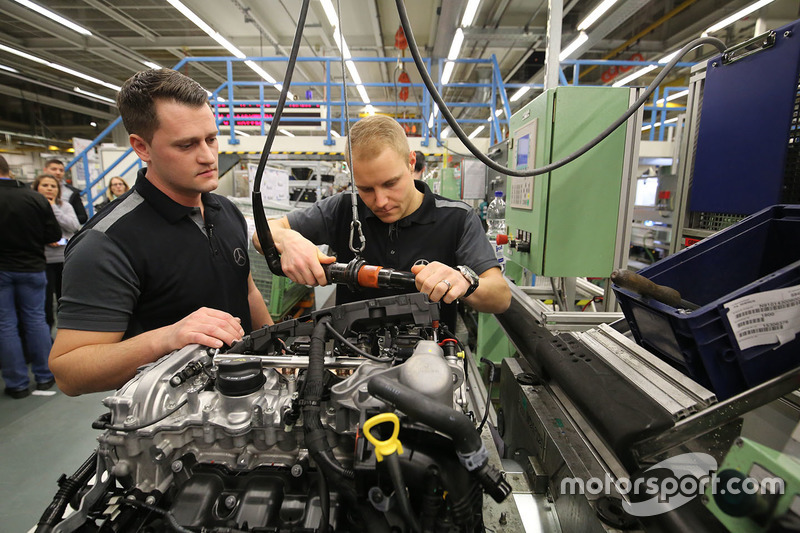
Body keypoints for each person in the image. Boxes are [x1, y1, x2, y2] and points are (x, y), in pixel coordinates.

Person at [50, 68, 273, 396]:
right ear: (142, 147)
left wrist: (275, 347)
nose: (208, 156)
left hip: (246, 398)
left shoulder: (224, 211)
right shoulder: (106, 243)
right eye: (186, 145)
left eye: (211, 139)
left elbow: (248, 291)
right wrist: (168, 338)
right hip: (170, 423)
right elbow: (69, 371)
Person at [258, 115, 510, 330]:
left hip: (431, 364)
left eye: (390, 183)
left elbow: (500, 297)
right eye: (366, 189)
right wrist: (287, 239)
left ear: (411, 163)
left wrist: (464, 282)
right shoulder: (344, 208)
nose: (380, 201)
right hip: (351, 361)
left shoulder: (457, 218)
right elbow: (261, 234)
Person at [0, 155, 61, 398]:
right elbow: (53, 234)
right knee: (37, 320)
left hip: (1, 269)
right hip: (33, 266)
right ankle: (45, 376)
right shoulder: (34, 198)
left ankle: (17, 383)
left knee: (6, 325)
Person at [33, 174, 81, 328]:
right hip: (42, 260)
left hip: (63, 258)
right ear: (36, 187)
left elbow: (73, 226)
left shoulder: (65, 206)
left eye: (53, 186)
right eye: (45, 185)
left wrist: (53, 207)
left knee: (66, 300)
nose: (49, 189)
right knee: (45, 302)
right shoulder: (31, 206)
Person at [43, 158, 88, 224]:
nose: (58, 172)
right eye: (54, 169)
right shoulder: (31, 189)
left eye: (61, 170)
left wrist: (67, 219)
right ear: (45, 170)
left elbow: (82, 217)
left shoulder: (71, 193)